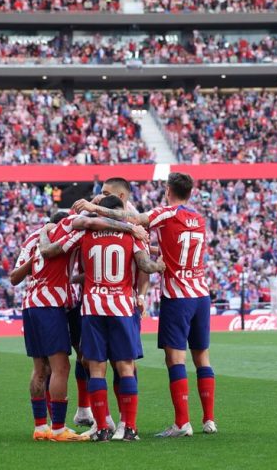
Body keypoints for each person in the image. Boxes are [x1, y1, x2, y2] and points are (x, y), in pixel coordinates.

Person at [75, 172, 218, 437]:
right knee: (203, 358)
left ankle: (182, 423)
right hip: (201, 292)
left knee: (175, 358)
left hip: (178, 295)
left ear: (167, 191)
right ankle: (209, 419)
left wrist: (95, 207)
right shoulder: (198, 219)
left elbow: (134, 220)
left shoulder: (166, 213)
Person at [42, 195, 164, 442]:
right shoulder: (133, 235)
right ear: (118, 213)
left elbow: (53, 251)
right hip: (121, 306)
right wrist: (160, 265)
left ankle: (102, 428)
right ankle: (128, 427)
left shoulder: (84, 233)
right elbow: (145, 265)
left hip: (93, 307)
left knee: (96, 368)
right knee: (126, 366)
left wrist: (46, 233)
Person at [13, 212, 86, 442]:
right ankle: (58, 428)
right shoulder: (66, 237)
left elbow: (14, 277)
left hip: (30, 305)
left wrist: (34, 263)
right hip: (51, 304)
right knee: (61, 367)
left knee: (39, 368)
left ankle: (40, 427)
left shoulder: (31, 239)